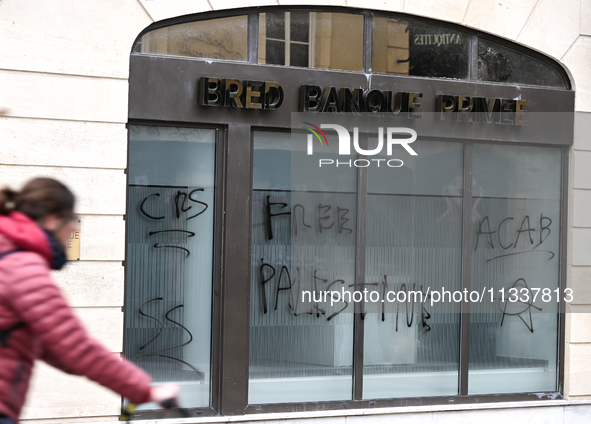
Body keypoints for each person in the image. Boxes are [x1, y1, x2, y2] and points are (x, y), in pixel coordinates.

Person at [0, 178, 179, 424]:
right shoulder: (21, 267)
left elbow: (56, 347)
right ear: (52, 220)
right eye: (72, 219)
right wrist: (146, 390)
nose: (75, 228)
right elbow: (76, 347)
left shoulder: (7, 254)